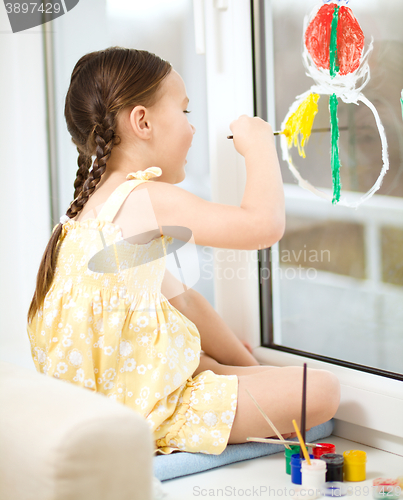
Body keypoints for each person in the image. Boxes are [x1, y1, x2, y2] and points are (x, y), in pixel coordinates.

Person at [26, 47, 340, 456]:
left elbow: (186, 301)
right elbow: (263, 227)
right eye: (186, 113)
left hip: (105, 401)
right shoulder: (147, 198)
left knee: (207, 360)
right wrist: (259, 145)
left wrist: (250, 372)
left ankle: (218, 372)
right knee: (321, 390)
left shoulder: (87, 217)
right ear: (142, 121)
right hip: (142, 412)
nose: (193, 129)